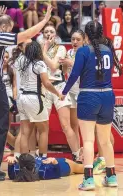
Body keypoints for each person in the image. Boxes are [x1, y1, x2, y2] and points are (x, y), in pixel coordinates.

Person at [0, 5, 53, 181]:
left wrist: (0, 18)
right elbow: (24, 36)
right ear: (2, 29)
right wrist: (44, 21)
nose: (8, 33)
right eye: (7, 30)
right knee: (0, 126)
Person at [62, 21, 122, 191]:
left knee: (88, 140)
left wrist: (64, 91)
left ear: (86, 35)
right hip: (108, 96)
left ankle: (88, 180)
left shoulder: (83, 51)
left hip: (89, 95)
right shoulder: (108, 50)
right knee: (105, 141)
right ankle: (111, 177)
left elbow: (74, 74)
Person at [9, 41, 63, 161]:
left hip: (21, 98)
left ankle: (23, 161)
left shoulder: (20, 61)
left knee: (24, 132)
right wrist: (57, 93)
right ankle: (42, 159)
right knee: (43, 129)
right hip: (34, 98)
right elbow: (47, 83)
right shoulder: (39, 63)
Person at [40, 24, 80, 162]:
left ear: (56, 35)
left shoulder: (61, 48)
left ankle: (76, 154)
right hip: (44, 88)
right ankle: (41, 156)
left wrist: (44, 51)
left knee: (65, 125)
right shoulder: (38, 48)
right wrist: (43, 49)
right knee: (42, 125)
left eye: (51, 31)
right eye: (46, 32)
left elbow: (53, 66)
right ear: (43, 34)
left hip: (60, 88)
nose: (49, 34)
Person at [8, 153, 84, 181]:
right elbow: (57, 173)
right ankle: (91, 166)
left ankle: (82, 161)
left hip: (50, 162)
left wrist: (10, 164)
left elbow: (11, 175)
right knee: (80, 168)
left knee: (79, 165)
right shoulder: (43, 172)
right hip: (59, 165)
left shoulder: (17, 170)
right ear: (33, 163)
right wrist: (55, 162)